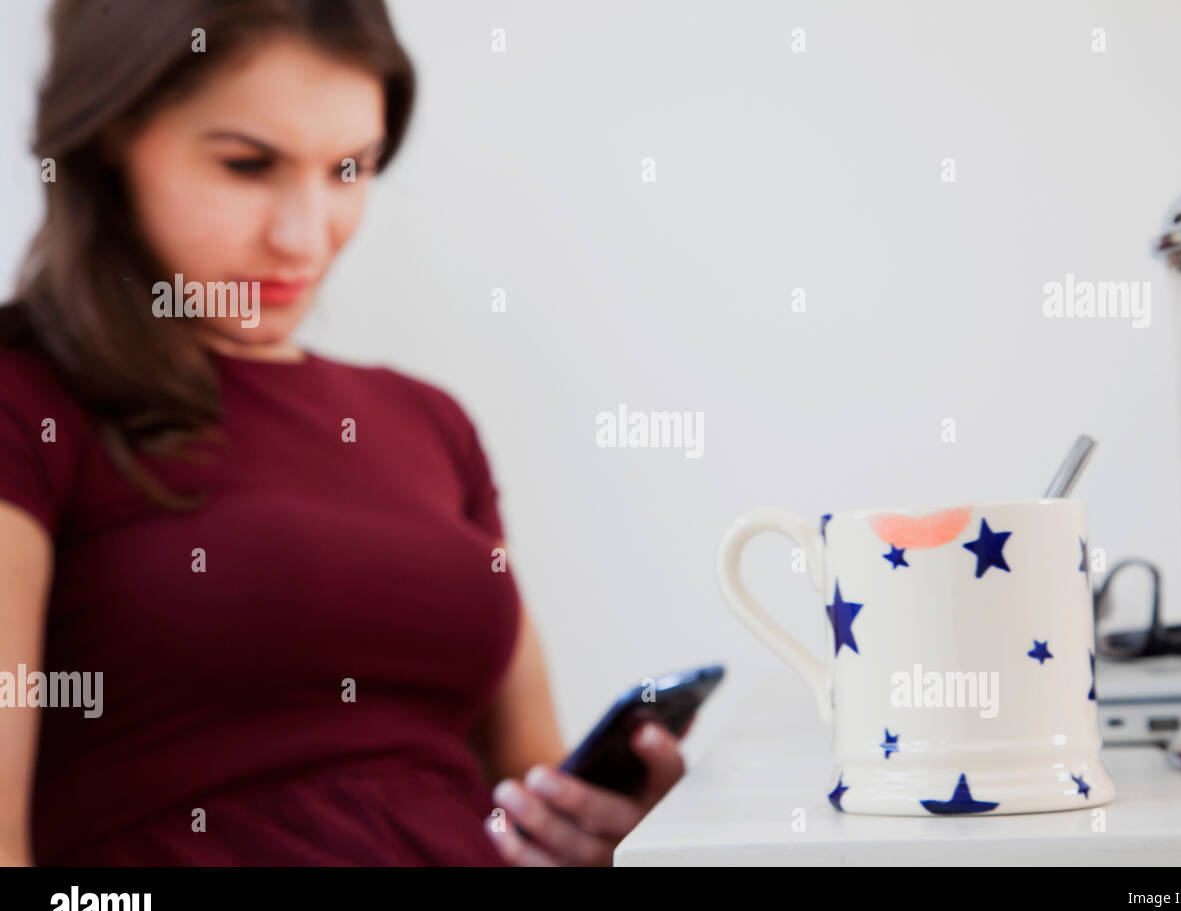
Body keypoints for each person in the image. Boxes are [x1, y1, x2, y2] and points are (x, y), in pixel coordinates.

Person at [0, 0, 685, 867]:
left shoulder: (427, 424)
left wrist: (602, 832)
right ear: (110, 137)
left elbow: (527, 782)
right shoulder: (26, 403)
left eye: (349, 169)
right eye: (248, 166)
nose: (306, 235)